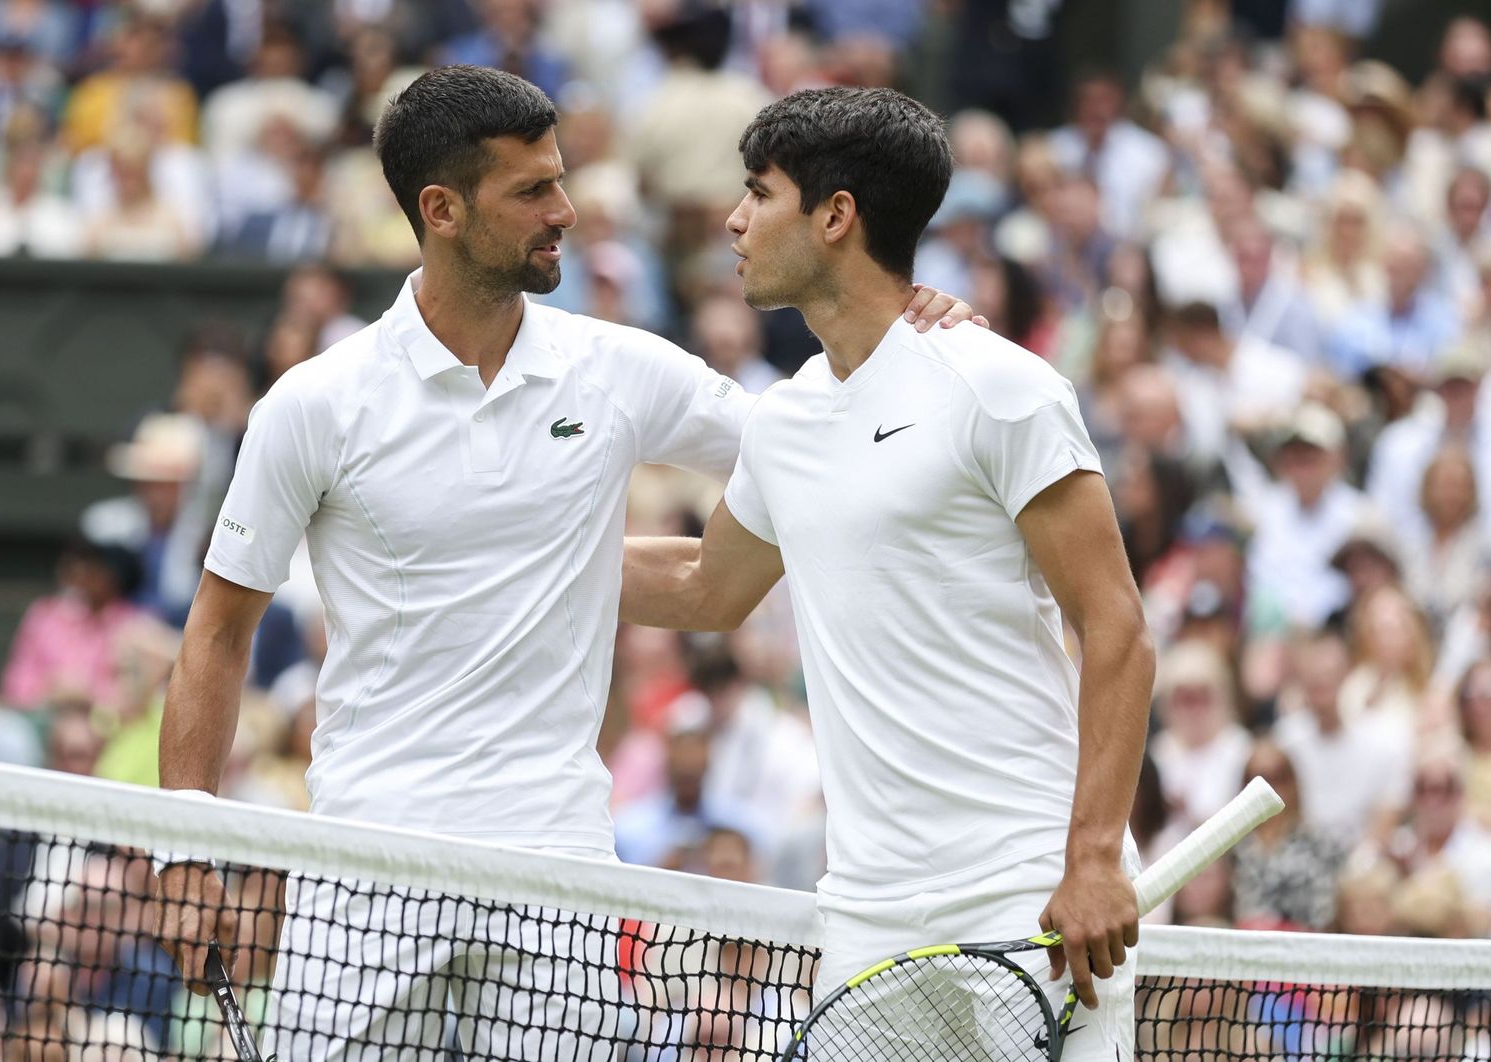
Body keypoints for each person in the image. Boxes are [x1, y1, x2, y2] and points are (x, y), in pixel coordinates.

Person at [152, 66, 975, 1060]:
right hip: (367, 857)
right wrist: (184, 855)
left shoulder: (615, 369)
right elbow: (216, 632)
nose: (566, 211)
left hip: (558, 863)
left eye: (561, 179)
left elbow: (812, 448)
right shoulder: (314, 405)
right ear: (441, 210)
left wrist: (907, 341)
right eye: (531, 191)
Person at [621, 86, 1154, 1058]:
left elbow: (1115, 624)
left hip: (1023, 889)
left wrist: (1088, 860)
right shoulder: (784, 422)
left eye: (759, 193)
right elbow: (707, 583)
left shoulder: (999, 387)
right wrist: (508, 551)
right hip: (866, 914)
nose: (734, 220)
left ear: (834, 216)